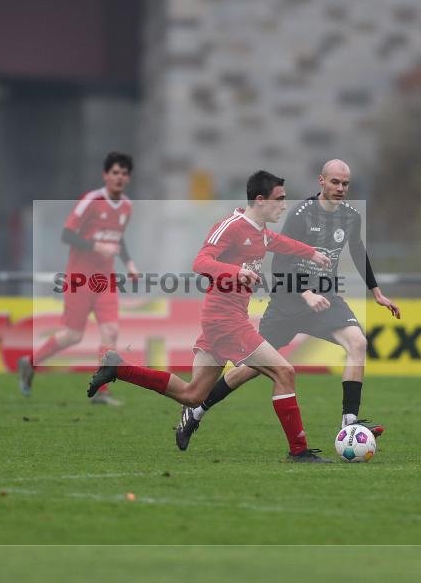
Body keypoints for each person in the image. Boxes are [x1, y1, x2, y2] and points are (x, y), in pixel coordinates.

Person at [88, 170, 336, 462]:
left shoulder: (259, 232)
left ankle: (120, 369)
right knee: (285, 372)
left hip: (222, 322)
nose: (284, 205)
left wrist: (312, 254)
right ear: (260, 200)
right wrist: (237, 272)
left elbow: (278, 243)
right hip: (226, 321)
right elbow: (200, 261)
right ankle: (299, 451)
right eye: (279, 199)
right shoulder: (231, 226)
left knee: (193, 395)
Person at [175, 159, 401, 451]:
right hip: (288, 303)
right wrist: (305, 292)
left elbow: (358, 250)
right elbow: (280, 263)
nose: (341, 188)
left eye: (345, 184)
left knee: (357, 343)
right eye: (335, 182)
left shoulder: (351, 216)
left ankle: (349, 424)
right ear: (321, 181)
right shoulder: (300, 214)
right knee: (249, 369)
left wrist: (377, 292)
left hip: (326, 299)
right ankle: (197, 409)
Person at [18, 152, 139, 405]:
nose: (119, 177)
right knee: (73, 335)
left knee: (111, 331)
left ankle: (101, 391)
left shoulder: (126, 205)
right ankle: (30, 363)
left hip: (105, 280)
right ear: (105, 175)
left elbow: (118, 238)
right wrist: (96, 246)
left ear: (128, 178)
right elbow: (66, 235)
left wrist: (129, 263)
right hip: (80, 278)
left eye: (124, 173)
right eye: (115, 172)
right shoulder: (91, 201)